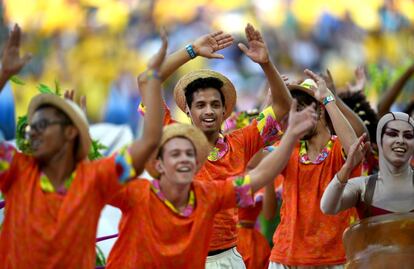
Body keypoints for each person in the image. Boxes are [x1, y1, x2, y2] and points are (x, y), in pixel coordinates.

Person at [0, 31, 167, 268]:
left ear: (70, 133)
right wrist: (3, 75)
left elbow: (149, 142)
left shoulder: (94, 179)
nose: (33, 132)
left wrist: (152, 76)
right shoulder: (17, 170)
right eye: (32, 127)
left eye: (43, 125)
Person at [139, 23, 292, 267]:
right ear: (188, 110)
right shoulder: (173, 140)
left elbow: (283, 106)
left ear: (224, 110)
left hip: (230, 259)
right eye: (200, 105)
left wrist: (266, 63)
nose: (208, 111)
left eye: (214, 105)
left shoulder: (241, 142)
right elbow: (147, 83)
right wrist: (192, 50)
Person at [106, 98, 317, 269]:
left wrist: (291, 136)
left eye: (190, 154)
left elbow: (260, 176)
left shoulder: (208, 195)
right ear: (158, 164)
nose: (184, 159)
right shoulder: (136, 194)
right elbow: (95, 178)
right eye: (175, 154)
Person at [263, 70, 365, 269]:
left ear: (319, 111)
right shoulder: (289, 148)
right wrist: (268, 106)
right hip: (285, 258)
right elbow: (255, 152)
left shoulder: (337, 148)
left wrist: (328, 99)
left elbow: (354, 149)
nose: (294, 118)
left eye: (300, 109)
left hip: (333, 259)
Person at [321, 112, 414, 219]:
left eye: (408, 136)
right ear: (380, 141)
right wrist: (347, 167)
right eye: (392, 134)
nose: (400, 141)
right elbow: (328, 207)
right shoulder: (363, 186)